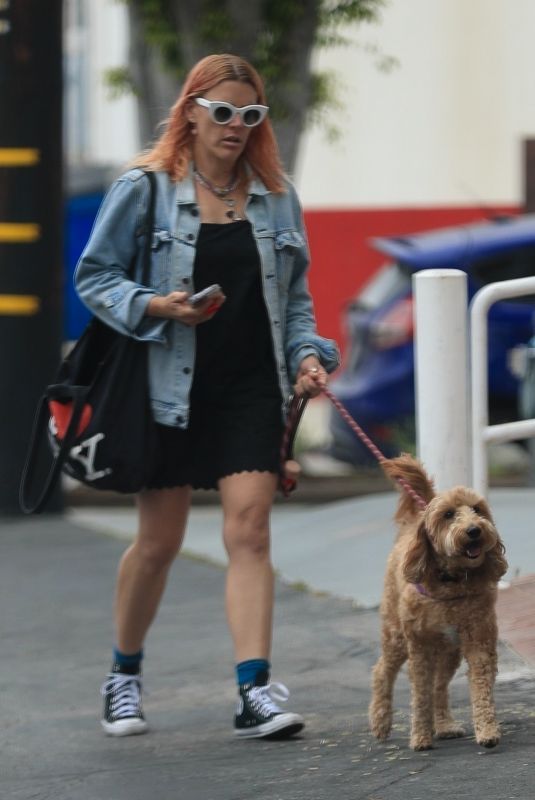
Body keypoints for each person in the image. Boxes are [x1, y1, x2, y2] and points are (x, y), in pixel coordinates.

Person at [75, 53, 339, 740]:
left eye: (249, 115)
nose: (234, 126)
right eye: (221, 111)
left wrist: (308, 355)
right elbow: (94, 276)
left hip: (249, 386)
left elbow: (297, 300)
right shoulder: (146, 189)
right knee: (158, 542)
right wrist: (155, 305)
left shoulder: (277, 196)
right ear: (189, 109)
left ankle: (254, 689)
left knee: (248, 532)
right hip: (168, 384)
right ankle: (123, 673)